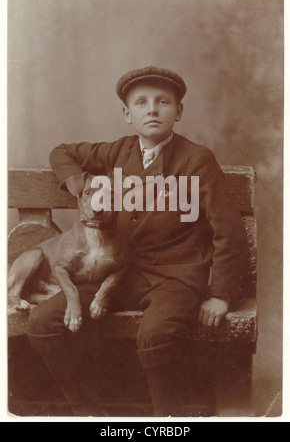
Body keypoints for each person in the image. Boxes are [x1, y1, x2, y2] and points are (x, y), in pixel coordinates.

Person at [27, 65, 248, 417]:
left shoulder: (197, 160)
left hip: (176, 278)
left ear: (178, 111)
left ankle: (167, 422)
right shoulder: (117, 152)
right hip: (119, 273)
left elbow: (229, 231)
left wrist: (220, 295)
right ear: (127, 115)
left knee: (155, 336)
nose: (152, 109)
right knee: (42, 323)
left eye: (163, 101)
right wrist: (75, 184)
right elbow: (62, 153)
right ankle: (91, 415)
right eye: (141, 103)